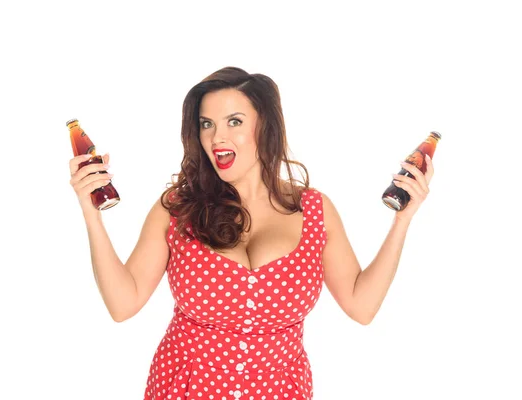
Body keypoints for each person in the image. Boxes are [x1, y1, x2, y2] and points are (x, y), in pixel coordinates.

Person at [68, 67, 434, 400]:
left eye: (234, 121)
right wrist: (91, 213)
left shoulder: (315, 211)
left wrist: (403, 220)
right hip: (184, 390)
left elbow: (361, 305)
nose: (217, 137)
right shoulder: (177, 209)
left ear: (265, 127)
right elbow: (122, 304)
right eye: (207, 123)